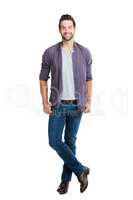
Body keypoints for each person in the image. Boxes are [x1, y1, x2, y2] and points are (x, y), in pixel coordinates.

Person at [39, 14, 93, 194]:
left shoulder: (85, 52)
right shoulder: (50, 52)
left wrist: (88, 100)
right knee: (54, 141)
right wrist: (45, 102)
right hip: (58, 105)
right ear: (59, 29)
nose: (67, 31)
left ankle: (65, 181)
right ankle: (81, 170)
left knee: (70, 142)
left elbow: (89, 79)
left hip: (77, 105)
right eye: (63, 27)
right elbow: (42, 79)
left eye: (69, 27)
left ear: (74, 29)